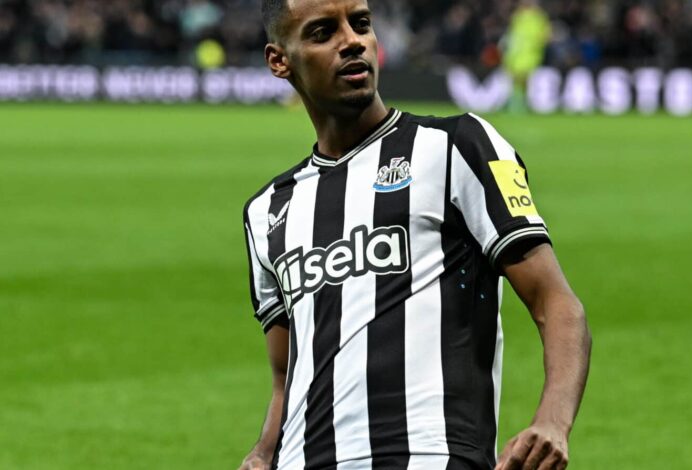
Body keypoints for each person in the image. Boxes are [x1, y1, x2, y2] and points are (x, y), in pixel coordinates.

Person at [239, 0, 591, 469]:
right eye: (323, 32)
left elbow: (557, 303)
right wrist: (264, 453)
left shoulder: (457, 147)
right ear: (279, 60)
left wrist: (552, 422)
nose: (352, 42)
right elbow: (286, 374)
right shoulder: (268, 211)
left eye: (360, 23)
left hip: (431, 456)